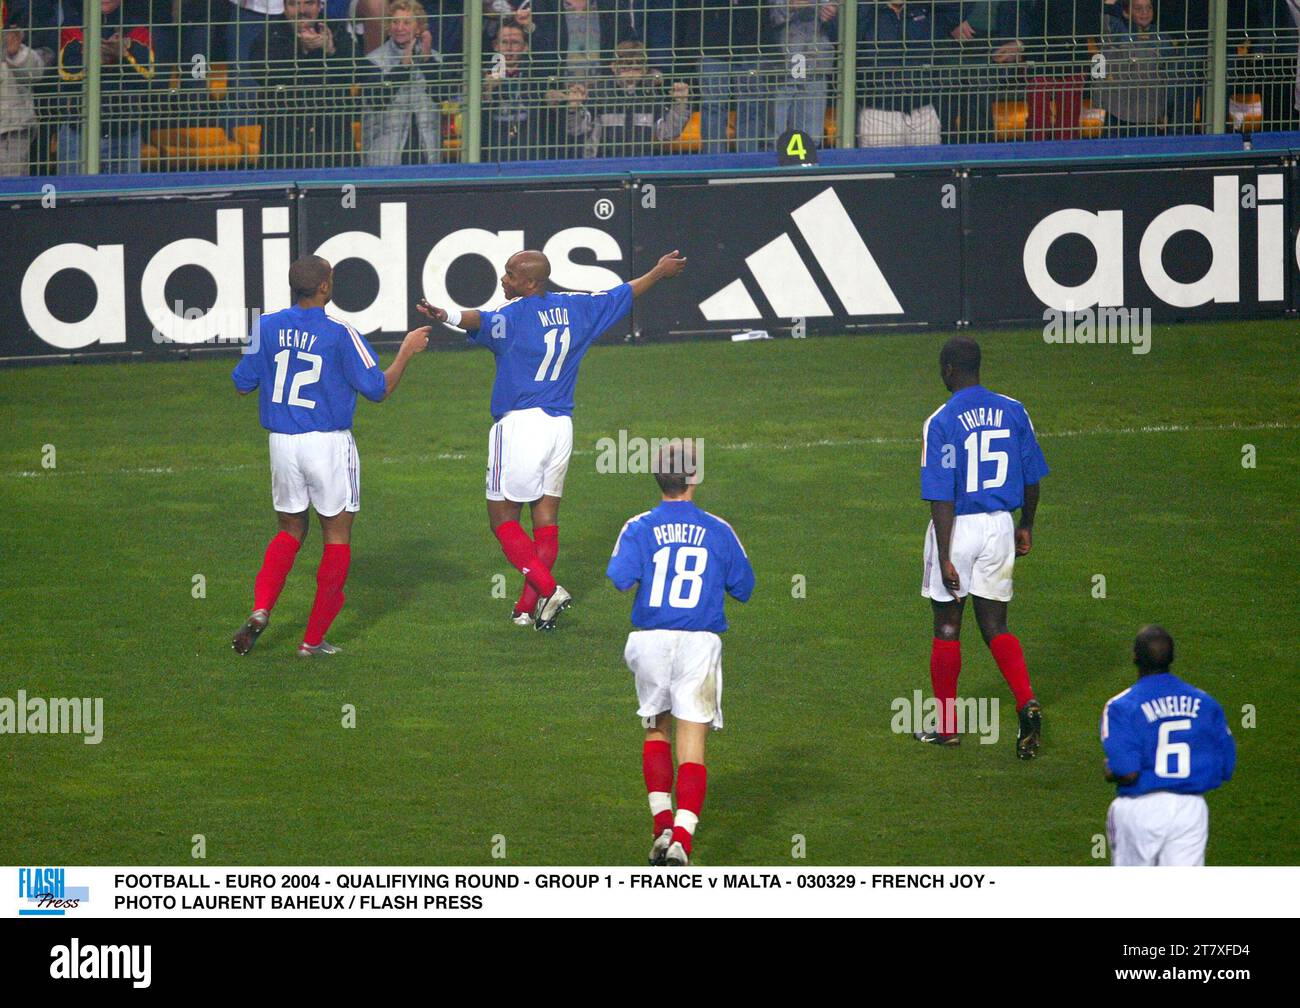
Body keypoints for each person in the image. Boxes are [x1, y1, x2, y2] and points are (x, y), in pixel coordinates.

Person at [415, 247, 687, 630]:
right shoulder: (578, 309)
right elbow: (623, 293)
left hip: (520, 426)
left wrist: (446, 315)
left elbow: (480, 319)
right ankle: (526, 608)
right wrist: (659, 270)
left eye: (510, 274)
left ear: (531, 283)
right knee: (545, 521)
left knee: (502, 520)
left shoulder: (512, 316)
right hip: (560, 426)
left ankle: (549, 589)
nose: (503, 279)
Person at [230, 255, 431, 657]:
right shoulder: (341, 332)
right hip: (327, 444)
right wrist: (407, 351)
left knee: (289, 530)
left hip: (282, 444)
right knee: (336, 537)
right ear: (324, 286)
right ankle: (312, 640)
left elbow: (242, 383)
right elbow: (377, 390)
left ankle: (260, 609)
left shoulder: (264, 326)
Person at [606, 444, 755, 867]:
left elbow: (620, 578)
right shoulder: (718, 529)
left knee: (656, 729)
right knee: (692, 746)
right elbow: (744, 587)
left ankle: (661, 827)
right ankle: (683, 843)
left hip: (650, 642)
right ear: (694, 478)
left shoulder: (637, 526)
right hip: (697, 644)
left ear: (658, 479)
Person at [916, 336, 1048, 757]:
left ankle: (948, 727)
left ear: (951, 370)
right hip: (1000, 526)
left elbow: (941, 493)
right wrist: (1025, 524)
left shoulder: (942, 420)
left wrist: (945, 551)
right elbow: (1031, 477)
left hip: (957, 527)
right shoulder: (1014, 410)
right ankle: (1026, 700)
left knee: (948, 627)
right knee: (996, 626)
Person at [1101, 625, 1236, 866]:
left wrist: (1111, 770)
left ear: (1135, 656)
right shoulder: (1206, 703)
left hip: (1139, 809)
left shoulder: (1121, 706)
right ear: (1172, 658)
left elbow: (1128, 772)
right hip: (1190, 810)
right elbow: (1226, 766)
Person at [259, 0, 361, 168]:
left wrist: (330, 50)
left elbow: (356, 70)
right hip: (283, 139)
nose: (302, 10)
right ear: (284, 8)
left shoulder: (335, 29)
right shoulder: (272, 32)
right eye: (294, 4)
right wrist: (302, 50)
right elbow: (261, 72)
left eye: (309, 3)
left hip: (331, 136)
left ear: (319, 6)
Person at [56, 0, 154, 174]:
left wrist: (122, 56)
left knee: (124, 199)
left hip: (125, 134)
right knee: (73, 198)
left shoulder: (138, 27)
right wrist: (97, 59)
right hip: (77, 132)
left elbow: (147, 77)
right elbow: (66, 76)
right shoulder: (72, 25)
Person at [567, 38, 690, 158]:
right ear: (614, 67)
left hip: (641, 163)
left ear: (645, 70)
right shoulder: (600, 94)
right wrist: (574, 108)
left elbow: (668, 133)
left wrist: (681, 104)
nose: (631, 73)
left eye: (637, 68)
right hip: (602, 164)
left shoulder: (651, 96)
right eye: (625, 67)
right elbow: (576, 130)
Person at [360, 0, 448, 166]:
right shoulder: (372, 61)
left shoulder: (435, 59)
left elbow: (442, 94)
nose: (399, 28)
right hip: (384, 156)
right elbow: (377, 100)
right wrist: (403, 66)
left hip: (427, 153)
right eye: (395, 22)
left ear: (419, 27)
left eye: (407, 22)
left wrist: (426, 60)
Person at [767, 0, 837, 146]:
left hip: (817, 61)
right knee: (774, 136)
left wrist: (833, 11)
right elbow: (770, 15)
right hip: (783, 63)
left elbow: (847, 15)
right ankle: (773, 165)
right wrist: (791, 5)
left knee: (811, 137)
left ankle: (807, 166)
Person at [1, 12, 45, 176]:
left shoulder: (11, 29)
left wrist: (15, 53)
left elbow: (35, 73)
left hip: (11, 132)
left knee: (11, 195)